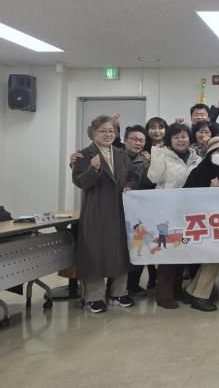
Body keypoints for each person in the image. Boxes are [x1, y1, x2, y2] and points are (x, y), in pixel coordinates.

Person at [72, 115, 138, 313]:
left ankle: (119, 293)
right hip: (96, 211)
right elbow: (80, 182)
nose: (108, 134)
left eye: (111, 131)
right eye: (103, 131)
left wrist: (129, 186)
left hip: (120, 211)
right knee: (95, 253)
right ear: (93, 133)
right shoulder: (83, 155)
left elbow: (133, 176)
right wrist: (93, 169)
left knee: (120, 252)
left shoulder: (121, 153)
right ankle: (94, 297)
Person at [147, 123, 201, 309]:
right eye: (176, 137)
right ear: (170, 140)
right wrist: (157, 153)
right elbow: (154, 178)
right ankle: (163, 295)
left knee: (182, 252)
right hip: (165, 212)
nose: (181, 140)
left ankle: (177, 290)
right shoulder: (163, 155)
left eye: (184, 136)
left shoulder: (196, 158)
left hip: (188, 213)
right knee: (167, 253)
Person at [183, 137, 219, 312]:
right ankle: (201, 296)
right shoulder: (200, 171)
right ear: (210, 153)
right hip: (202, 222)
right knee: (213, 257)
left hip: (218, 222)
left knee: (214, 258)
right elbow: (187, 196)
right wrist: (210, 190)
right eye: (218, 151)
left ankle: (193, 291)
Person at [122, 125, 156, 295]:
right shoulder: (116, 156)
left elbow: (150, 184)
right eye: (134, 139)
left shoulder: (144, 159)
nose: (138, 143)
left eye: (141, 140)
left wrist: (148, 166)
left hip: (140, 210)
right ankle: (116, 288)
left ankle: (133, 285)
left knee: (139, 245)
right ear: (125, 140)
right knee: (121, 249)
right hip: (118, 208)